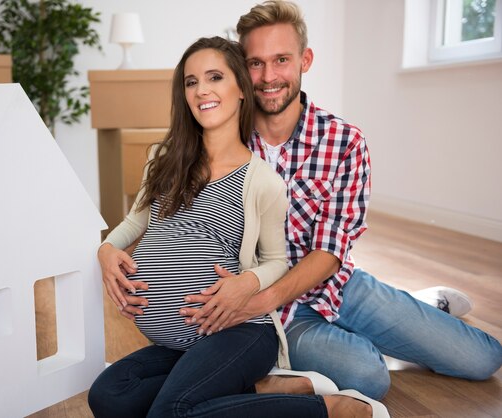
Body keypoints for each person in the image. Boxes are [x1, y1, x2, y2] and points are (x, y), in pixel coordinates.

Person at [120, 0, 502, 402]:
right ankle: (359, 343)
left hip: (334, 284)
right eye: (255, 63)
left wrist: (257, 300)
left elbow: (331, 250)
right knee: (368, 376)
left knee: (481, 359)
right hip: (277, 315)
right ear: (239, 70)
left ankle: (424, 306)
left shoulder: (344, 142)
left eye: (281, 59)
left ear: (305, 59)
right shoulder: (218, 137)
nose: (269, 77)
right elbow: (165, 220)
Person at [89, 36, 389, 418]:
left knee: (171, 412)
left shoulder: (261, 180)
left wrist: (247, 283)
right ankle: (261, 390)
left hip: (238, 332)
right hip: (179, 346)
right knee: (108, 396)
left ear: (241, 90)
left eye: (215, 77)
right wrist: (106, 249)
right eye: (191, 81)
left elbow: (277, 260)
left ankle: (334, 410)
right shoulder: (163, 162)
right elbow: (136, 220)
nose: (202, 90)